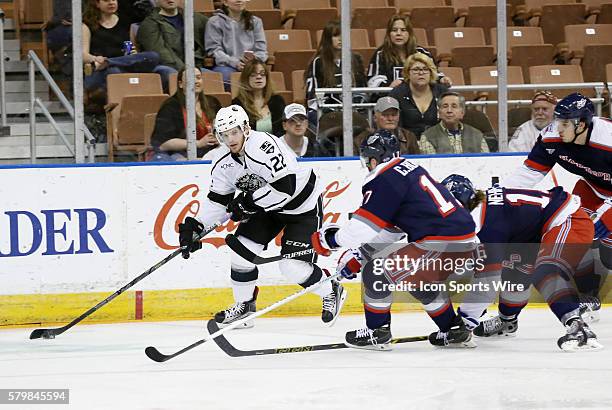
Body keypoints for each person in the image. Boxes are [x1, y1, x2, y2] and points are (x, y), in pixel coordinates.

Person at [178, 105, 346, 328]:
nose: (230, 139)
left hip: (301, 206)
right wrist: (197, 227)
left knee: (291, 267)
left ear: (246, 128)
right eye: (224, 135)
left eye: (234, 132)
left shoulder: (263, 146)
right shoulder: (223, 163)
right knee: (240, 255)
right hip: (267, 208)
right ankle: (245, 308)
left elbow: (285, 187)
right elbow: (218, 200)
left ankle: (331, 288)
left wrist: (247, 203)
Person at [311, 130, 478, 350]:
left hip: (440, 239)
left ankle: (376, 333)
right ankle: (453, 330)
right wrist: (360, 255)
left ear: (373, 159)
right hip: (465, 239)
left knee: (376, 273)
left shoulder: (383, 178)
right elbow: (395, 228)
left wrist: (329, 240)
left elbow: (361, 228)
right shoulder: (408, 169)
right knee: (420, 282)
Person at [443, 174, 602, 351]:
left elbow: (487, 285)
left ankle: (578, 328)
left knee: (546, 270)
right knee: (515, 275)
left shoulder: (487, 226)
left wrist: (464, 322)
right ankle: (507, 321)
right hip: (531, 233)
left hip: (568, 220)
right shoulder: (482, 213)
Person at [503, 92, 611, 318]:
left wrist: (605, 216)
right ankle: (588, 296)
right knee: (580, 233)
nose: (557, 128)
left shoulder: (607, 139)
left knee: (609, 255)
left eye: (564, 123)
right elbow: (529, 173)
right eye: (557, 120)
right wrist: (501, 199)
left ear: (581, 124)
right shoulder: (551, 137)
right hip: (592, 189)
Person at [82, 0, 173, 93]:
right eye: (106, 0)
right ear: (97, 4)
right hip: (101, 69)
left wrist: (132, 53)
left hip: (125, 64)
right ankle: (108, 64)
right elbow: (83, 55)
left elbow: (129, 48)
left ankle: (109, 62)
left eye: (114, 0)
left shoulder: (124, 21)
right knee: (114, 72)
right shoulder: (87, 25)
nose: (111, 3)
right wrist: (96, 59)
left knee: (156, 59)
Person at [305, 20, 367, 132]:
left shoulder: (356, 60)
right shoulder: (318, 62)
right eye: (336, 35)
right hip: (328, 113)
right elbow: (313, 96)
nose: (341, 39)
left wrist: (357, 109)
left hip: (354, 111)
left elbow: (363, 89)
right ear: (328, 38)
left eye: (343, 35)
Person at [149, 68, 221, 161]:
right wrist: (198, 143)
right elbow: (162, 144)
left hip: (211, 152)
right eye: (190, 79)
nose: (196, 81)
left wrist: (219, 138)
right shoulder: (170, 106)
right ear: (181, 84)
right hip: (180, 153)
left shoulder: (213, 102)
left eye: (198, 78)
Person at [367, 15, 450, 89]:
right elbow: (373, 80)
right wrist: (389, 85)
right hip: (391, 98)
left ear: (409, 33)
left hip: (419, 97)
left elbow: (434, 74)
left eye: (403, 30)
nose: (398, 34)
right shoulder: (380, 54)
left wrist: (442, 79)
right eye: (394, 30)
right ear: (389, 34)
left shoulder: (422, 53)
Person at [205, 0, 268, 90]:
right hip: (227, 65)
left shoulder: (256, 21)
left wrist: (253, 62)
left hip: (252, 65)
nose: (239, 0)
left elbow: (262, 50)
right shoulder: (214, 22)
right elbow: (214, 50)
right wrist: (235, 63)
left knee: (263, 77)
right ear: (225, 2)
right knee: (227, 78)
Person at [136, 0, 208, 72]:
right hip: (166, 66)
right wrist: (184, 71)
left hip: (194, 68)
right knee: (168, 72)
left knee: (215, 77)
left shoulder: (196, 18)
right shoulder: (149, 24)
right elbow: (160, 53)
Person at [389, 52, 449, 139]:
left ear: (431, 72)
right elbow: (394, 126)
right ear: (408, 73)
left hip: (439, 142)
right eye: (416, 69)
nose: (421, 73)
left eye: (425, 69)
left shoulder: (442, 92)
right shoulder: (397, 94)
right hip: (408, 144)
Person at [419, 92, 489, 154]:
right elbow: (431, 165)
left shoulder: (477, 135)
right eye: (445, 106)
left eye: (454, 106)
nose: (449, 110)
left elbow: (486, 162)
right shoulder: (428, 136)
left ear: (462, 112)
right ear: (439, 113)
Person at [231, 59, 286, 136]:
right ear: (246, 78)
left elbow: (283, 129)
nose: (259, 77)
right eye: (253, 74)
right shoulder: (238, 103)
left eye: (262, 74)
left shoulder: (277, 100)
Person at [355, 96, 420, 155]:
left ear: (399, 116)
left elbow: (418, 161)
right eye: (385, 115)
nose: (390, 119)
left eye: (394, 115)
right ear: (375, 117)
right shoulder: (361, 139)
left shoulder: (409, 137)